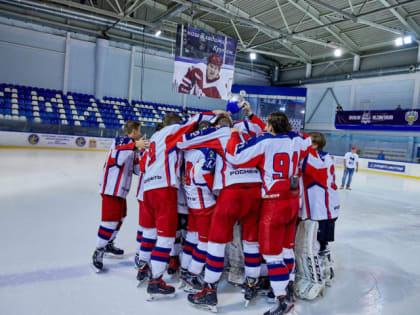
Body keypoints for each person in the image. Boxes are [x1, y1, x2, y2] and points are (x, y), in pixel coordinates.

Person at [225, 112, 312, 315]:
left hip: (274, 202)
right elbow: (306, 141)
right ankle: (288, 286)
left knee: (271, 255)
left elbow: (235, 157)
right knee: (286, 249)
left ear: (271, 127)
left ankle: (283, 300)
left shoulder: (265, 141)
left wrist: (234, 136)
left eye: (267, 125)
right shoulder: (299, 140)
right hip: (293, 200)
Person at [178, 111, 265, 312]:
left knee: (214, 242)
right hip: (255, 190)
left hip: (231, 192)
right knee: (251, 241)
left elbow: (182, 141)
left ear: (217, 126)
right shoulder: (248, 131)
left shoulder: (219, 132)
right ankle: (252, 284)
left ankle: (209, 291)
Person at [136, 110, 220, 299]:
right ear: (174, 125)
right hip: (163, 189)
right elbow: (195, 120)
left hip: (147, 190)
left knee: (153, 233)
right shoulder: (170, 132)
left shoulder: (155, 137)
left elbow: (141, 165)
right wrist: (215, 113)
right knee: (166, 238)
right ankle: (155, 280)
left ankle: (145, 267)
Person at [92, 120, 149, 272]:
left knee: (121, 216)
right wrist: (136, 146)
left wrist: (142, 154)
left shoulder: (132, 147)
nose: (140, 134)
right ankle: (98, 250)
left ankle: (108, 243)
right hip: (111, 189)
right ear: (134, 131)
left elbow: (137, 170)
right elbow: (119, 152)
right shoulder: (121, 141)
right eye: (139, 131)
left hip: (121, 191)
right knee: (109, 221)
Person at [295, 132, 340, 300]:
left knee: (318, 244)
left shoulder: (319, 159)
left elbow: (312, 171)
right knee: (320, 243)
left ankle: (322, 273)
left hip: (323, 210)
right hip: (323, 209)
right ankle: (327, 271)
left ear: (314, 145)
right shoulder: (320, 157)